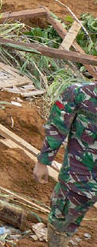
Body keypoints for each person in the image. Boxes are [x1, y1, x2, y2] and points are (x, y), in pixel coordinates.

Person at [33, 82, 97, 247]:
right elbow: (57, 127)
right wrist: (43, 162)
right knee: (61, 222)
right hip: (79, 178)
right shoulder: (78, 93)